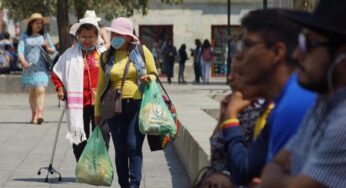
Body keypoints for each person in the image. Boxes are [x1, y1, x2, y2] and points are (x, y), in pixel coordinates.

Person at [220, 9, 316, 186]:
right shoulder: (285, 101)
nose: (239, 56)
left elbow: (246, 170)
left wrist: (230, 118)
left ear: (277, 52)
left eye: (247, 45)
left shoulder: (292, 106)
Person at [260, 1, 346, 187]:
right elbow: (272, 166)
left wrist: (280, 178)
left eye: (309, 44)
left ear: (342, 55)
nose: (297, 54)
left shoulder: (343, 121)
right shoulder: (321, 105)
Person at [94, 17, 157, 188]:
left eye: (119, 34)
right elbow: (101, 86)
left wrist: (148, 78)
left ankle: (134, 185)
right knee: (120, 148)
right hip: (113, 107)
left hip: (137, 105)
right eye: (113, 33)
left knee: (133, 146)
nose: (115, 37)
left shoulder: (142, 52)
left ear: (129, 37)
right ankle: (124, 184)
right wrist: (97, 112)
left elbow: (154, 74)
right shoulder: (106, 56)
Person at [51, 17, 107, 161]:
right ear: (77, 36)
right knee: (79, 136)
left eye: (91, 36)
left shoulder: (104, 54)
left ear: (97, 37)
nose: (87, 40)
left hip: (100, 104)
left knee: (102, 134)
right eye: (84, 36)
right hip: (79, 104)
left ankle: (98, 164)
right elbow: (57, 72)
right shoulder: (69, 55)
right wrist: (59, 89)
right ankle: (82, 166)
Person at [18, 13, 56, 124]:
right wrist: (23, 62)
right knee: (32, 93)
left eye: (41, 23)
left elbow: (53, 50)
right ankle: (34, 114)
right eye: (36, 23)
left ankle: (40, 113)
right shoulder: (24, 36)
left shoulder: (45, 35)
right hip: (28, 69)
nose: (39, 25)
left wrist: (47, 47)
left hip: (42, 69)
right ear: (31, 24)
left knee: (41, 89)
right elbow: (20, 50)